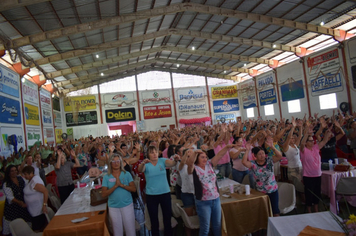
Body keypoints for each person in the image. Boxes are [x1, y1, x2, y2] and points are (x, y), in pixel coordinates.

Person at [187, 145, 234, 236]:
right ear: (197, 159)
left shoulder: (209, 164)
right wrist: (195, 152)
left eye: (206, 157)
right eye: (202, 157)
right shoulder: (194, 169)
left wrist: (227, 147)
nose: (205, 159)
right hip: (203, 202)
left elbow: (219, 155)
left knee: (217, 226)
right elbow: (190, 163)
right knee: (205, 228)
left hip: (215, 199)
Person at [138, 146, 179, 236]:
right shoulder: (146, 164)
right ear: (148, 154)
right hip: (151, 195)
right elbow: (140, 169)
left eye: (155, 152)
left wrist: (175, 160)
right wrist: (143, 163)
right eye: (152, 152)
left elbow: (172, 163)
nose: (154, 154)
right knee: (154, 220)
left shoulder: (162, 161)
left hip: (165, 193)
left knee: (167, 218)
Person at [242, 139, 282, 216]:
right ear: (255, 156)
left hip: (272, 190)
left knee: (275, 211)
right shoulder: (253, 164)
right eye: (259, 154)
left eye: (263, 153)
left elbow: (279, 156)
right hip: (261, 192)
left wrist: (273, 147)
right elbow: (244, 162)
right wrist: (247, 150)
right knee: (264, 212)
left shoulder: (269, 160)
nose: (262, 155)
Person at [102, 154, 136, 236]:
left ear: (120, 162)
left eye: (118, 161)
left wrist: (122, 185)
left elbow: (133, 189)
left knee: (130, 230)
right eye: (113, 161)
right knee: (117, 232)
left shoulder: (126, 174)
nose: (116, 163)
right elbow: (103, 194)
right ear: (110, 163)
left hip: (127, 205)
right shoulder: (106, 177)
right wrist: (115, 186)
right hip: (113, 207)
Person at [300, 126, 332, 213]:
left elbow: (324, 141)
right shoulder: (304, 150)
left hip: (317, 174)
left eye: (312, 140)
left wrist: (327, 133)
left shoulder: (316, 148)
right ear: (306, 143)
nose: (312, 142)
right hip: (308, 175)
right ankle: (309, 209)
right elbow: (302, 143)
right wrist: (306, 134)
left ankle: (316, 208)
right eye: (310, 141)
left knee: (317, 192)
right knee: (309, 193)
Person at [2, 165, 32, 236]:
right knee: (13, 224)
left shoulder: (20, 178)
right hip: (13, 207)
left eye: (15, 170)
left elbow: (27, 186)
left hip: (23, 203)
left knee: (25, 221)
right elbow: (10, 198)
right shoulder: (6, 183)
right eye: (12, 171)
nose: (14, 172)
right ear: (8, 173)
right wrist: (20, 203)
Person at [22, 165, 49, 232]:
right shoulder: (31, 180)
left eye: (26, 174)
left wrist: (44, 205)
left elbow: (45, 191)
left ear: (31, 173)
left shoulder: (34, 182)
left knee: (38, 229)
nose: (25, 176)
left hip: (38, 210)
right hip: (34, 210)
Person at [280, 119, 304, 193]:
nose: (293, 139)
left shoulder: (295, 145)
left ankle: (303, 201)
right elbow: (288, 137)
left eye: (293, 138)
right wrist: (293, 128)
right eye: (291, 138)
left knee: (301, 186)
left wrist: (300, 127)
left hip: (299, 167)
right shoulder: (286, 147)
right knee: (293, 187)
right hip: (292, 168)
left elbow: (300, 136)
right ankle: (294, 200)